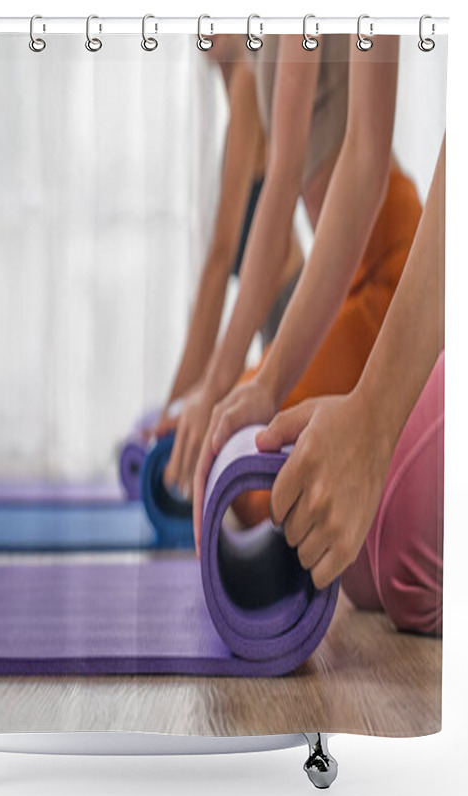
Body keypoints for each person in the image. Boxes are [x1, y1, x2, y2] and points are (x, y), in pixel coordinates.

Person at [193, 136, 447, 636]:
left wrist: (374, 419)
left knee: (400, 555)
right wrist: (262, 385)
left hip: (394, 273)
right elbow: (359, 153)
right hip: (349, 274)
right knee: (350, 556)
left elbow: (260, 210)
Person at [159, 34, 422, 506]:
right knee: (223, 442)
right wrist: (212, 388)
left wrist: (226, 381)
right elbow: (283, 183)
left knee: (253, 480)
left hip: (389, 268)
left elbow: (287, 183)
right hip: (342, 279)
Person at [157, 35, 302, 426]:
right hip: (275, 312)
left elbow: (220, 262)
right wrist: (181, 403)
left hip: (292, 307)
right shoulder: (239, 93)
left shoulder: (247, 86)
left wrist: (175, 407)